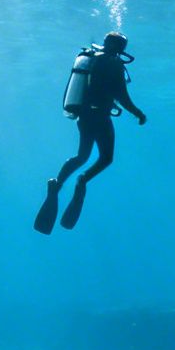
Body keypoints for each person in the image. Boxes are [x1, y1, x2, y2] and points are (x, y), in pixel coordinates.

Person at [35, 32, 146, 233]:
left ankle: (57, 185)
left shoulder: (91, 59)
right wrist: (138, 113)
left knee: (82, 155)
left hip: (84, 116)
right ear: (120, 48)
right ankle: (82, 180)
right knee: (106, 158)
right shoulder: (114, 65)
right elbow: (122, 96)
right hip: (101, 117)